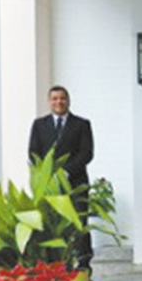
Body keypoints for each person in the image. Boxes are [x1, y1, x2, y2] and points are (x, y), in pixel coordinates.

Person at [29, 85, 95, 270]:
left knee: (79, 223)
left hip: (76, 183)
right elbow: (33, 153)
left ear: (68, 100)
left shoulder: (82, 124)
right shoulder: (39, 125)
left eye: (62, 98)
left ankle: (83, 264)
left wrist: (65, 172)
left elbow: (86, 153)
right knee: (53, 225)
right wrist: (48, 175)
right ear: (49, 101)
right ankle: (56, 266)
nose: (59, 102)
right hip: (49, 186)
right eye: (55, 98)